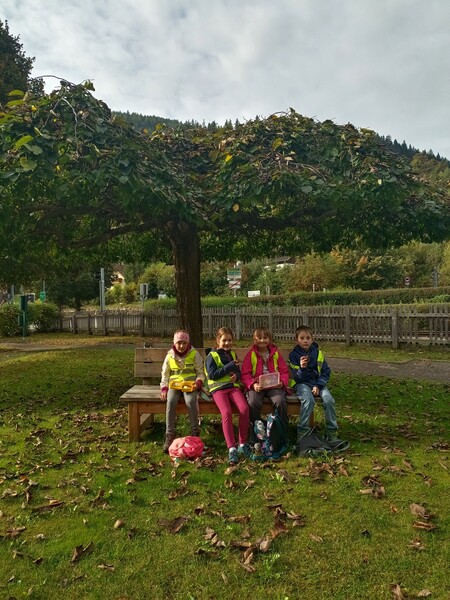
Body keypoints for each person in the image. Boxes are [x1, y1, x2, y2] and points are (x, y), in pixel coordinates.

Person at [289, 325, 349, 452]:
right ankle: (303, 433)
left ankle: (331, 433)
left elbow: (326, 372)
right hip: (302, 384)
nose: (305, 341)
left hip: (318, 384)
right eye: (302, 338)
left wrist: (318, 385)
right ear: (296, 340)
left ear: (312, 339)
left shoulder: (318, 353)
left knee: (328, 400)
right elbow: (297, 378)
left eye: (308, 338)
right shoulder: (293, 355)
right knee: (308, 400)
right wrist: (302, 368)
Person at [205, 327, 250, 464]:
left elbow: (238, 372)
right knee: (226, 413)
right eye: (224, 340)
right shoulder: (211, 356)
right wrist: (229, 366)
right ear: (217, 341)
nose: (227, 343)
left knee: (244, 409)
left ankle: (243, 443)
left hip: (232, 388)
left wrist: (236, 376)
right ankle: (232, 448)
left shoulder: (233, 354)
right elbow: (212, 375)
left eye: (230, 340)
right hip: (218, 389)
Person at [241, 327, 289, 439]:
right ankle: (257, 433)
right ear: (254, 340)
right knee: (253, 402)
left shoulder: (275, 354)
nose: (262, 340)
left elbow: (284, 371)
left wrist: (282, 382)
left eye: (265, 338)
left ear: (270, 339)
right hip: (258, 386)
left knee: (280, 401)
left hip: (274, 386)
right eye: (259, 338)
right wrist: (253, 384)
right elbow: (245, 374)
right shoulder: (251, 355)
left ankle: (281, 432)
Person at [160, 330, 204, 453]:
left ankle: (195, 432)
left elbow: (200, 372)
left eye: (184, 343)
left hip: (190, 385)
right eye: (179, 343)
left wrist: (198, 382)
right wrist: (164, 388)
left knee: (190, 401)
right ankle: (170, 434)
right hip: (174, 386)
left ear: (188, 343)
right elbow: (165, 374)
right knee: (171, 401)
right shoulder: (170, 356)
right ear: (174, 343)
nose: (181, 346)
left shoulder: (194, 354)